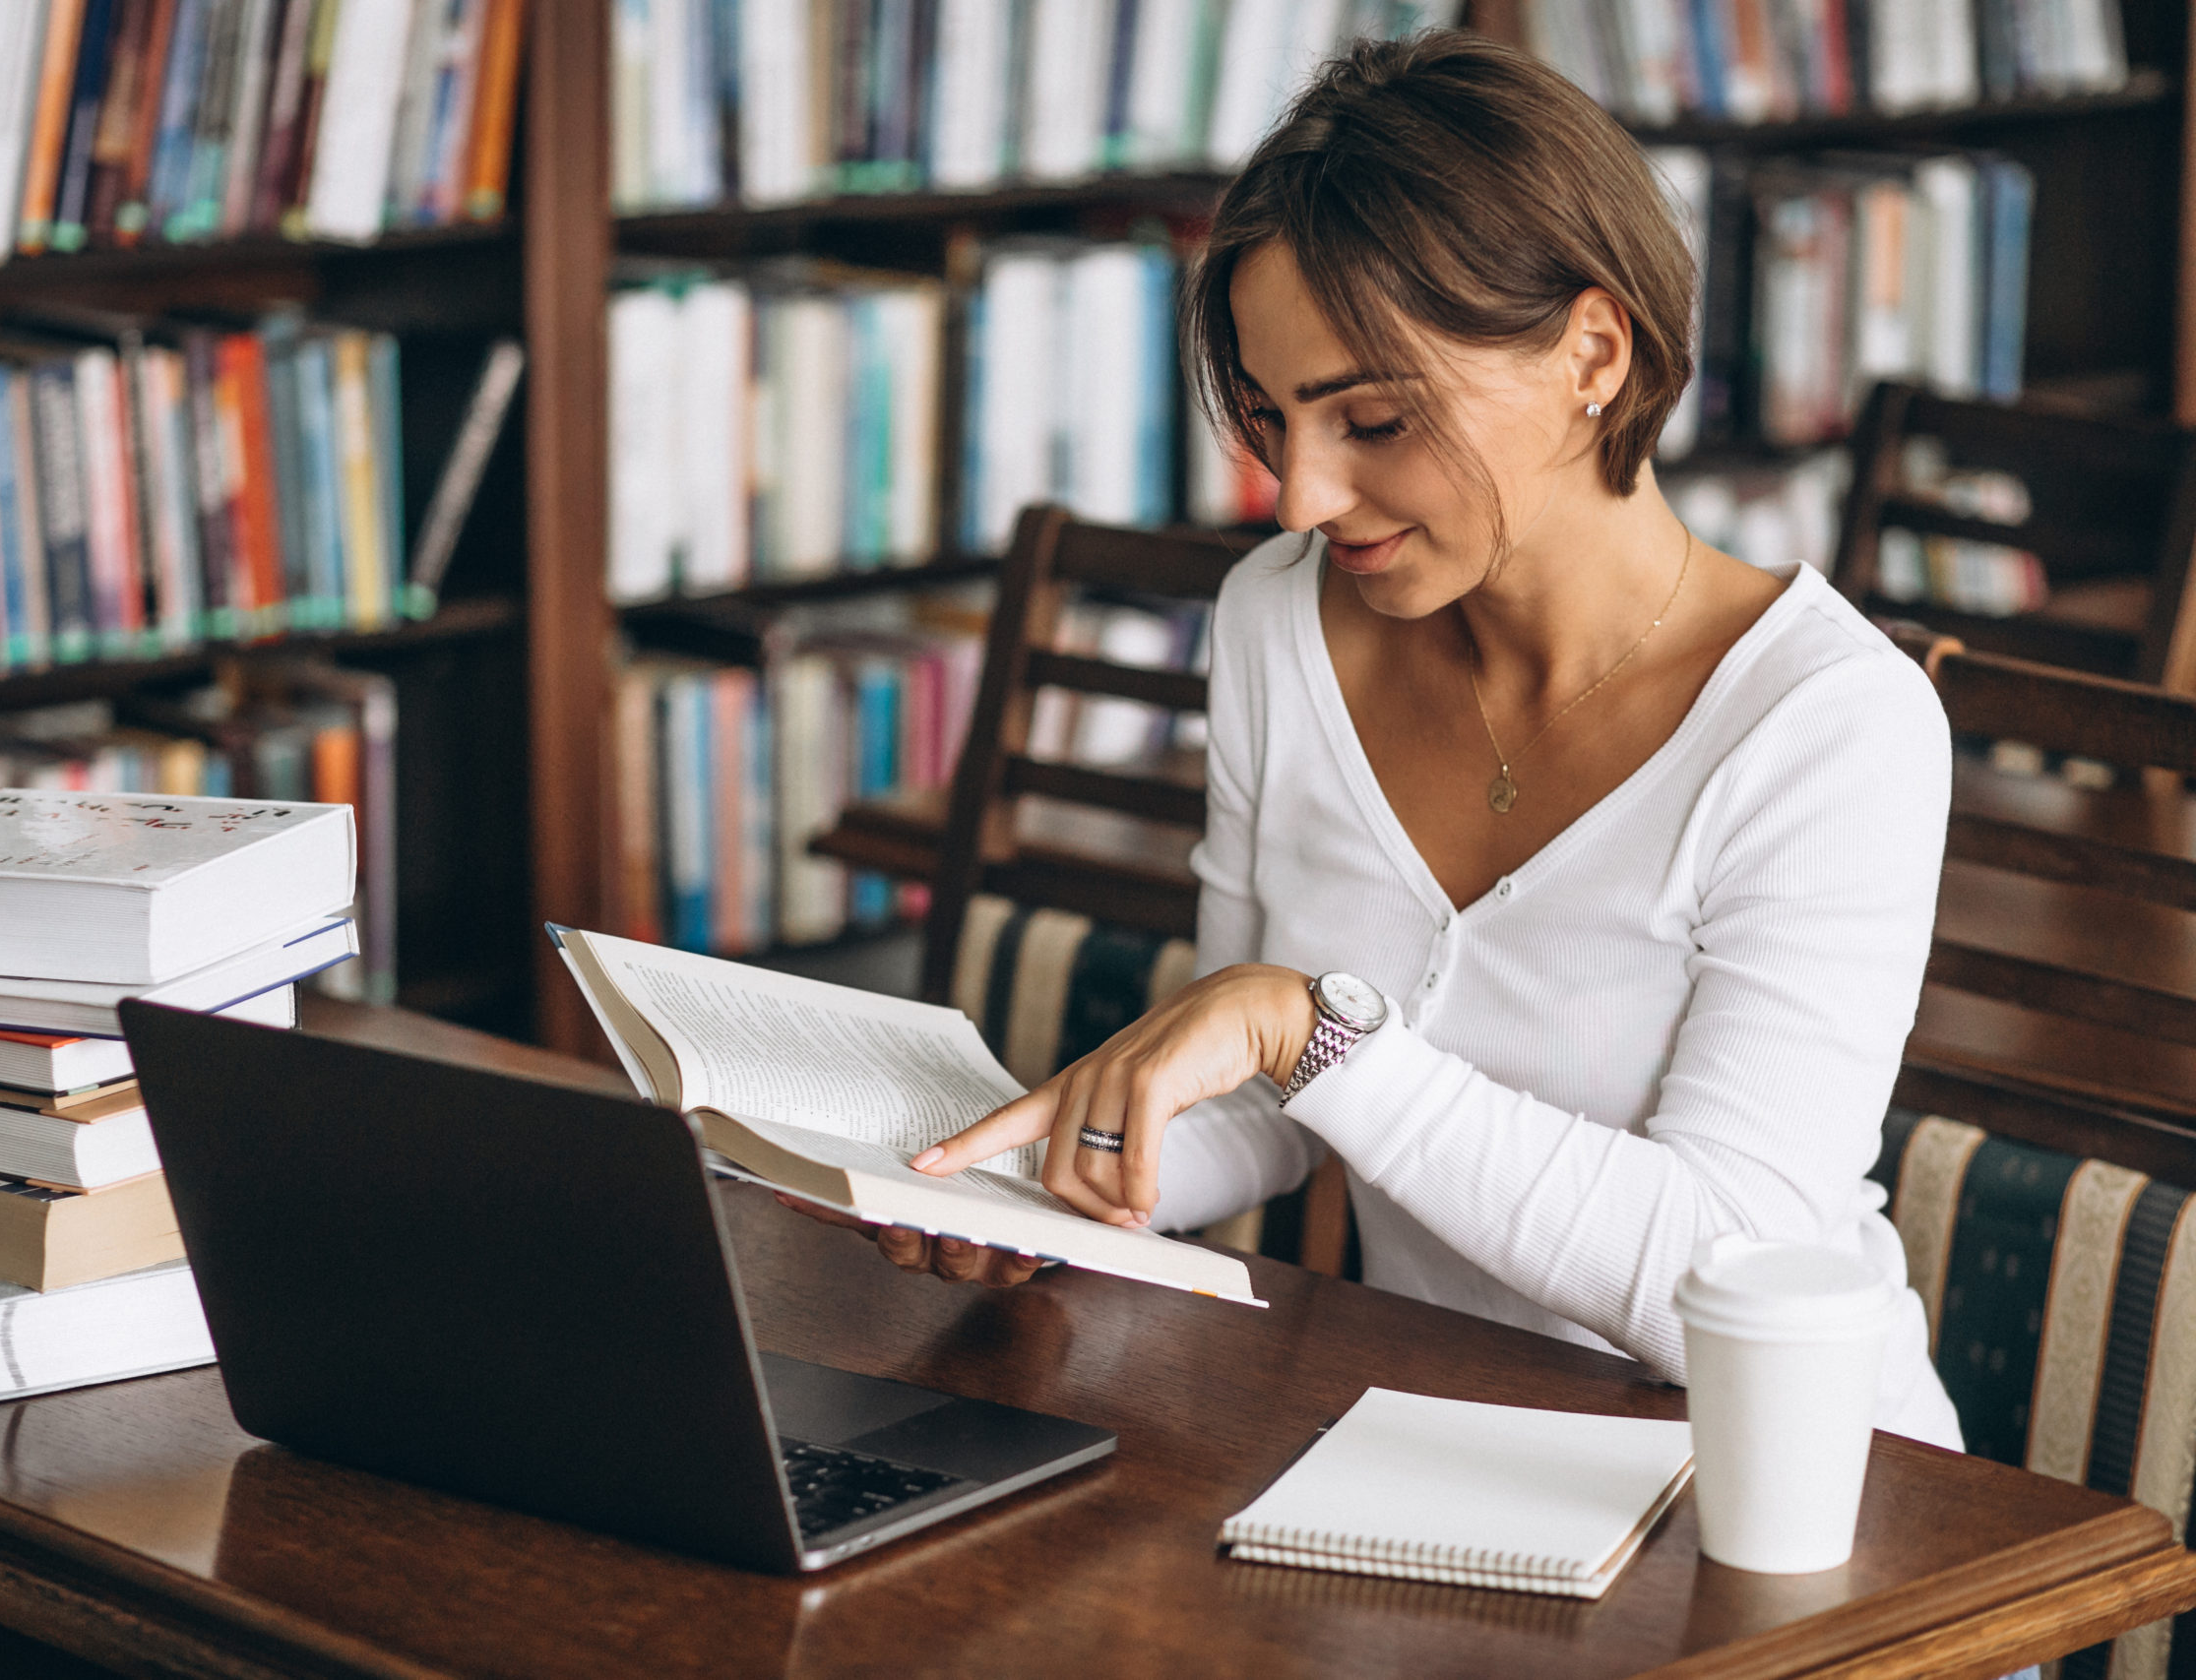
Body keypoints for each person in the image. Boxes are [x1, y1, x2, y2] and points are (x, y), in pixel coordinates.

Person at [784, 30, 1962, 1448]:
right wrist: (1055, 1189)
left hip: (1805, 1499)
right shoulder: (1280, 622)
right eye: (1275, 420)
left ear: (1594, 351)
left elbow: (1726, 1274)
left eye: (1377, 419)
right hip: (1431, 1449)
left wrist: (1318, 1033)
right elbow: (1270, 1099)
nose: (1302, 496)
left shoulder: (1831, 728)